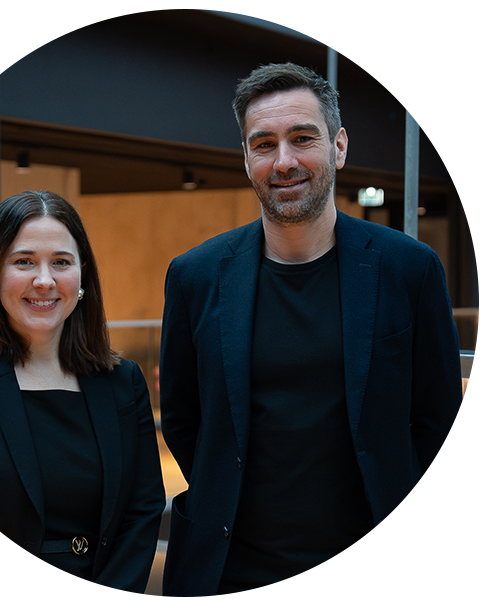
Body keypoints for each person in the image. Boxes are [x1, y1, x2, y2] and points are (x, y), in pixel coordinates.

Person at [159, 63, 466, 597]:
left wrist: (388, 491)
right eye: (264, 144)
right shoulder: (195, 276)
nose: (284, 161)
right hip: (228, 572)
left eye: (303, 138)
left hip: (373, 571)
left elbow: (440, 417)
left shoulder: (410, 269)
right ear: (246, 158)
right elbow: (184, 420)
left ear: (339, 146)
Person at [0, 190, 165, 596]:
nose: (44, 280)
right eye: (24, 261)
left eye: (61, 262)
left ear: (82, 277)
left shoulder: (123, 381)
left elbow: (143, 510)